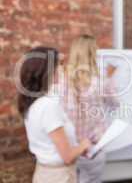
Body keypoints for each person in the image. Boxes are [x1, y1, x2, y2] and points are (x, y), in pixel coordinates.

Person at [17, 47, 91, 183]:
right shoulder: (48, 106)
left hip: (45, 172)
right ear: (47, 71)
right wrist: (84, 145)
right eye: (58, 65)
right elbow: (67, 157)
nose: (61, 70)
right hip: (59, 176)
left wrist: (77, 147)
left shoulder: (34, 102)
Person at [63, 34, 118, 183]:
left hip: (69, 149)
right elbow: (115, 104)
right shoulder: (100, 81)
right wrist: (110, 77)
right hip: (93, 149)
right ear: (93, 53)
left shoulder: (62, 80)